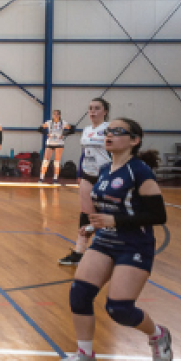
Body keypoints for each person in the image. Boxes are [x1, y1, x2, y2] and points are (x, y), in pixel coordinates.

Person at [57, 118, 172, 361]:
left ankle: (157, 334)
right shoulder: (106, 168)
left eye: (117, 132)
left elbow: (158, 216)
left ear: (134, 140)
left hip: (134, 245)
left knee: (119, 309)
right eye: (108, 132)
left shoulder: (139, 171)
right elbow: (109, 207)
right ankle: (85, 354)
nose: (109, 135)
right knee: (79, 294)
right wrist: (93, 226)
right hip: (105, 241)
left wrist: (115, 220)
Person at [59, 98, 111, 266]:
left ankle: (106, 251)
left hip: (106, 175)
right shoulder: (87, 130)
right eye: (90, 108)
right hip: (88, 175)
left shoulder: (109, 129)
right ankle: (79, 251)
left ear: (105, 111)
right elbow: (84, 153)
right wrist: (80, 172)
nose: (92, 111)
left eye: (97, 108)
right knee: (86, 214)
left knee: (106, 213)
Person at [39, 109, 73, 183]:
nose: (55, 116)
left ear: (59, 115)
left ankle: (55, 178)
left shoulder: (63, 123)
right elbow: (40, 128)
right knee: (45, 161)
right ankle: (41, 178)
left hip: (59, 143)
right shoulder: (49, 122)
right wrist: (46, 134)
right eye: (54, 114)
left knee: (56, 161)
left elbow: (72, 129)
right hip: (50, 142)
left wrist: (64, 134)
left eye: (57, 114)